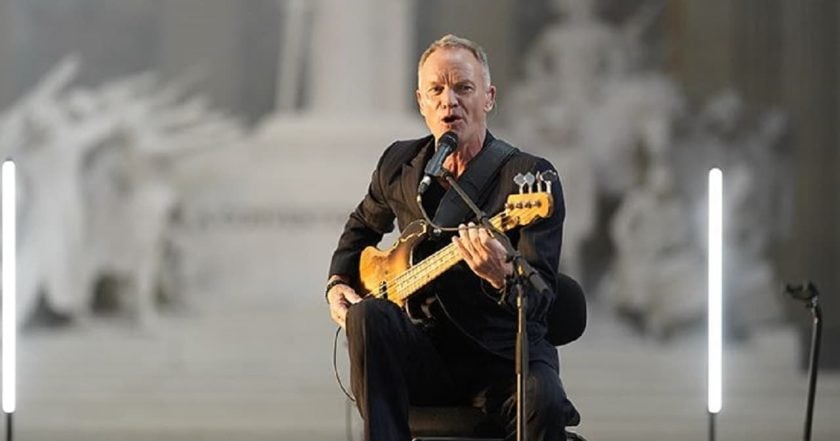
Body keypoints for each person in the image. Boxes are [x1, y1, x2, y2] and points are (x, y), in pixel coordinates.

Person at [325, 34, 586, 441]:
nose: (450, 100)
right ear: (421, 101)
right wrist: (337, 283)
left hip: (503, 362)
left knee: (545, 398)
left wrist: (501, 275)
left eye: (463, 87)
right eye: (437, 90)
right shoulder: (400, 165)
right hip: (430, 358)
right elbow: (361, 225)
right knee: (368, 314)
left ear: (489, 97)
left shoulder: (531, 178)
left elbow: (542, 299)